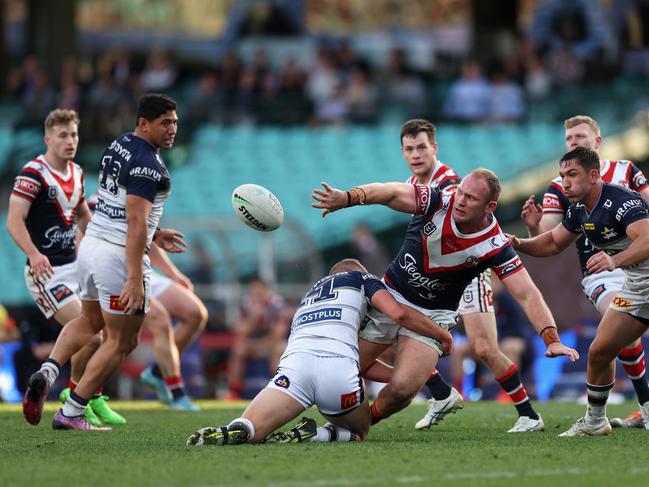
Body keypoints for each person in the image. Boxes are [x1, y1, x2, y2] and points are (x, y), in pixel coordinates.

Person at [311, 169, 579, 429]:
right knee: (343, 368)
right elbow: (391, 193)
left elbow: (527, 293)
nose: (460, 200)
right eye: (461, 192)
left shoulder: (495, 245)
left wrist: (551, 338)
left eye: (471, 198)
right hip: (391, 295)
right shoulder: (439, 199)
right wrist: (347, 198)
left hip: (433, 315)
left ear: (490, 206)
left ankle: (360, 426)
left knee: (404, 388)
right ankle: (305, 405)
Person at [22, 93, 186, 431]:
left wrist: (155, 234)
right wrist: (135, 277)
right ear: (144, 123)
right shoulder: (148, 166)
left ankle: (49, 370)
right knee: (122, 340)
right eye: (165, 123)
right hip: (118, 258)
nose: (172, 129)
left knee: (89, 319)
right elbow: (136, 223)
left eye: (175, 123)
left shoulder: (120, 144)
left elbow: (120, 210)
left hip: (91, 247)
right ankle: (72, 410)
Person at [186, 258, 453, 446]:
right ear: (357, 270)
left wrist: (401, 375)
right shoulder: (362, 279)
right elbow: (399, 313)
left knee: (252, 428)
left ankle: (235, 429)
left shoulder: (309, 295)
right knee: (360, 430)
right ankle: (318, 435)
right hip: (339, 372)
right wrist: (441, 335)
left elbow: (364, 362)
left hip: (294, 369)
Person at [400, 118, 544, 432]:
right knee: (402, 329)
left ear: (434, 148)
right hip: (437, 275)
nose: (415, 154)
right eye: (409, 148)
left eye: (421, 147)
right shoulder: (413, 182)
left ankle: (528, 415)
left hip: (465, 272)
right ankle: (440, 393)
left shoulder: (449, 181)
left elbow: (465, 230)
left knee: (484, 347)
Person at [521, 115, 649, 428]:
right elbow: (551, 237)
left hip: (635, 259)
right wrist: (532, 226)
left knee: (614, 338)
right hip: (600, 271)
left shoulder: (626, 172)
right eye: (569, 139)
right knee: (610, 336)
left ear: (598, 142)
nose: (574, 142)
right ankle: (627, 411)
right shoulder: (562, 185)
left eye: (580, 136)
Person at [7, 108, 124, 427]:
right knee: (93, 335)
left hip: (75, 267)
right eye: (62, 135)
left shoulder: (76, 172)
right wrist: (33, 254)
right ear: (48, 139)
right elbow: (13, 220)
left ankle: (74, 396)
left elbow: (85, 216)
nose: (70, 140)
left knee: (98, 333)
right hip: (45, 272)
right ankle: (77, 397)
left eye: (73, 134)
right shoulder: (33, 174)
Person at [138, 244, 208, 410]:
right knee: (118, 341)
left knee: (195, 313)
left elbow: (146, 238)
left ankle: (157, 372)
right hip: (119, 271)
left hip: (144, 271)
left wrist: (174, 274)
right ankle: (81, 397)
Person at [225, 278, 291, 400]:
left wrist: (259, 346)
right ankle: (234, 391)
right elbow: (241, 332)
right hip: (253, 344)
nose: (257, 294)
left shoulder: (277, 306)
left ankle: (278, 389)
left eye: (260, 290)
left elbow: (278, 335)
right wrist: (254, 316)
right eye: (254, 291)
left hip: (271, 344)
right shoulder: (247, 306)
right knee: (239, 348)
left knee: (277, 349)